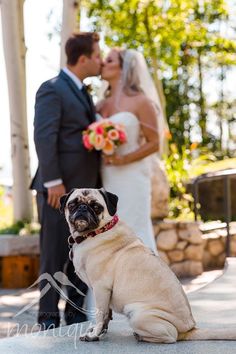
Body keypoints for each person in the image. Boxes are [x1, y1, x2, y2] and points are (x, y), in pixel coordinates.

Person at [31, 32, 102, 329]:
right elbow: (44, 137)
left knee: (81, 258)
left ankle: (75, 318)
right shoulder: (52, 89)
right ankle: (48, 320)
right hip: (58, 192)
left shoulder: (84, 92)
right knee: (54, 257)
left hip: (85, 193)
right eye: (97, 56)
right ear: (83, 59)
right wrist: (54, 182)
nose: (100, 61)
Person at [97, 48, 167, 253]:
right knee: (108, 233)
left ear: (123, 67)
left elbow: (155, 143)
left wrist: (123, 159)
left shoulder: (140, 101)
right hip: (105, 176)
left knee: (133, 229)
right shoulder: (100, 104)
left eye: (109, 60)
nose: (103, 63)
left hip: (132, 176)